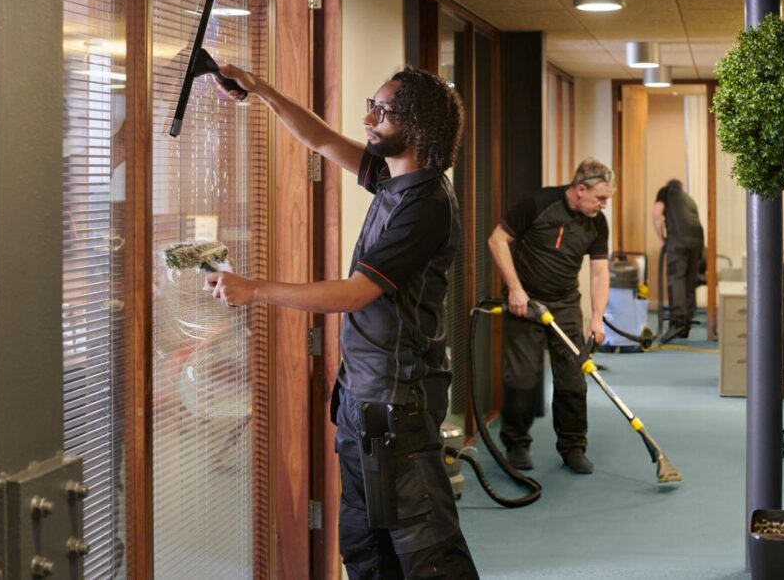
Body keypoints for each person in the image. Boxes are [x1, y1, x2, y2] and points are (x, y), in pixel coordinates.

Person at [205, 63, 479, 579]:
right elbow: (323, 140)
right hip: (361, 401)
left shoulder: (425, 206)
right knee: (366, 550)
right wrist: (261, 89)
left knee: (428, 558)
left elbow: (355, 294)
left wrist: (255, 289)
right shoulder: (395, 180)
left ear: (416, 126)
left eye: (382, 110)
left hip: (398, 405)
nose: (367, 117)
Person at [487, 159, 613, 474]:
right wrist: (515, 289)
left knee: (573, 378)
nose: (604, 204)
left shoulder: (596, 222)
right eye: (600, 197)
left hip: (566, 304)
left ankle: (573, 446)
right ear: (580, 189)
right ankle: (516, 443)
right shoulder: (540, 203)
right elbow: (497, 240)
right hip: (526, 303)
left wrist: (597, 318)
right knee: (522, 379)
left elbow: (599, 272)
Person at [652, 178, 705, 340]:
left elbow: (656, 214)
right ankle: (685, 326)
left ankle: (677, 323)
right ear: (681, 187)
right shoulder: (688, 199)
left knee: (676, 280)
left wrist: (662, 238)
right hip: (698, 241)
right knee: (689, 281)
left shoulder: (665, 192)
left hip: (678, 240)